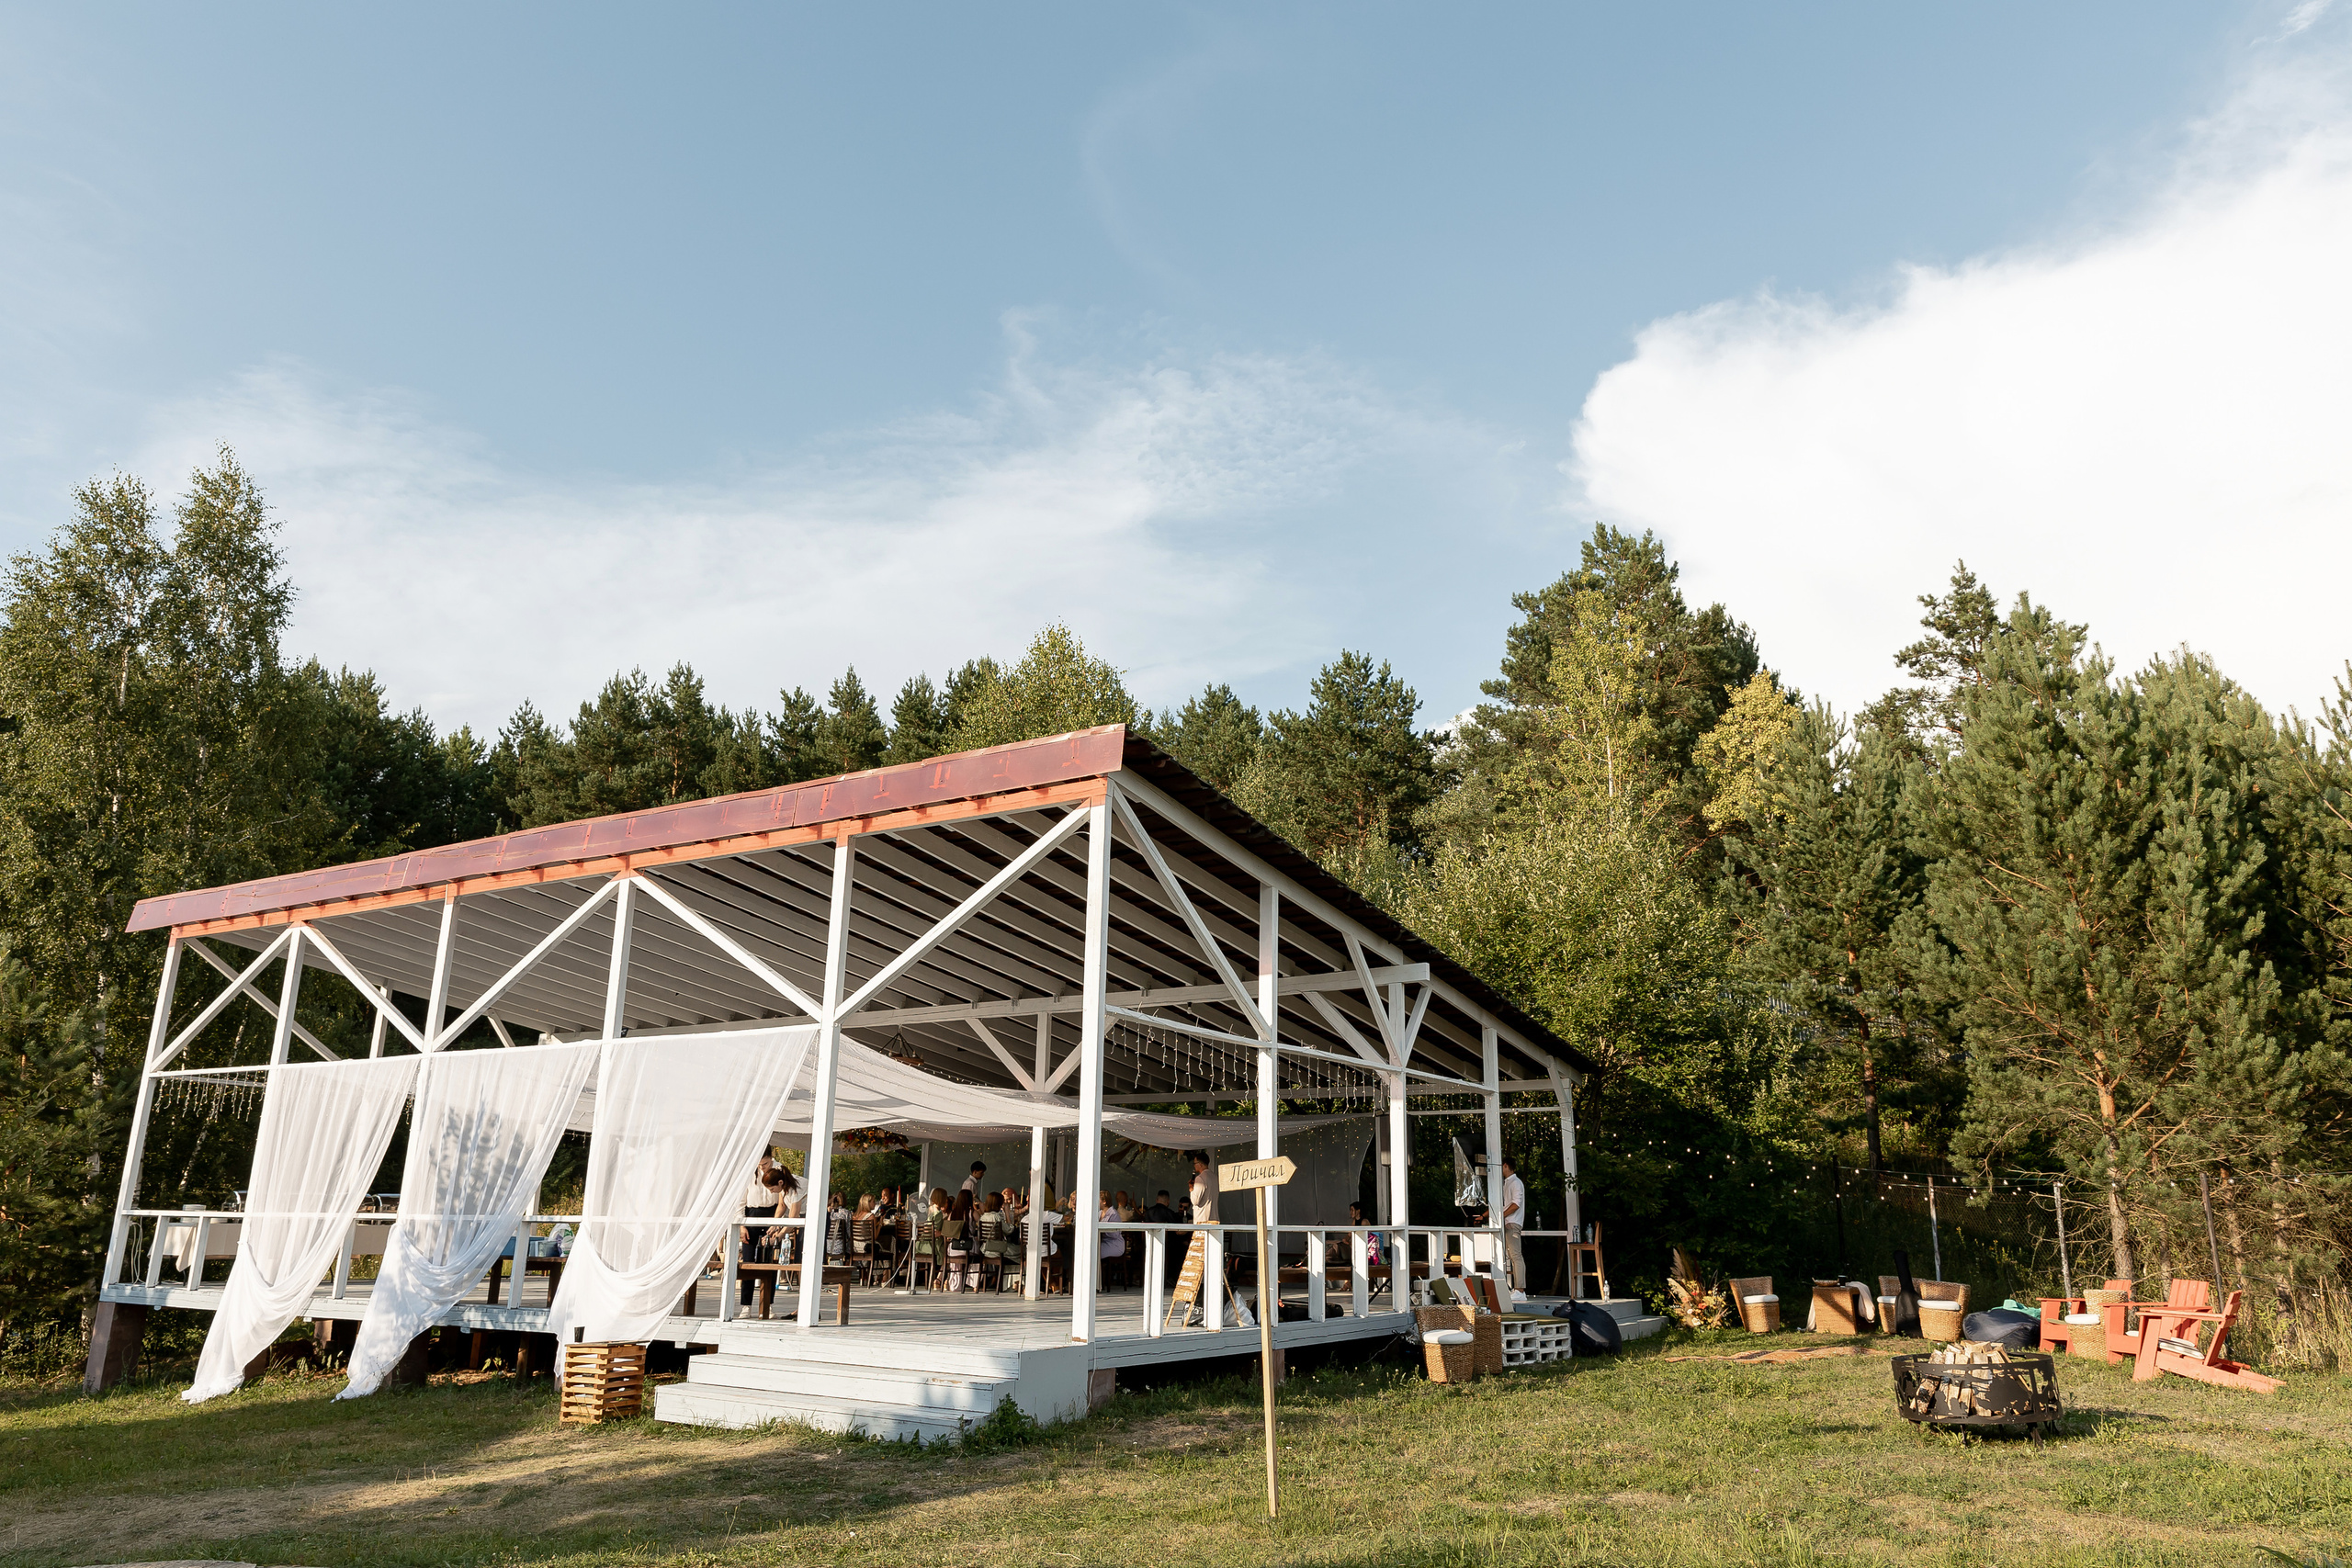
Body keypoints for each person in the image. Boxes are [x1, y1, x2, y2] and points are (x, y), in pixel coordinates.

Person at [740, 1154, 782, 1309]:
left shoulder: (780, 1169)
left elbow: (783, 1199)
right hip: (752, 1214)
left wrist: (777, 1223)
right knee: (748, 1261)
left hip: (772, 1214)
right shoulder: (749, 1171)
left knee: (770, 1261)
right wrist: (742, 1225)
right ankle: (746, 1305)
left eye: (765, 1163)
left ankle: (767, 1305)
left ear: (771, 1159)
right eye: (759, 1164)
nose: (762, 1167)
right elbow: (740, 1199)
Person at [1498, 1156, 1527, 1293]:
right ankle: (1515, 1290)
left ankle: (1520, 1290)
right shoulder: (1507, 1183)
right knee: (1510, 1257)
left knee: (1516, 1256)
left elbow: (1516, 1204)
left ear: (1505, 1165)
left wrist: (1501, 1216)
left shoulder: (1515, 1182)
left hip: (1512, 1223)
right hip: (1507, 1222)